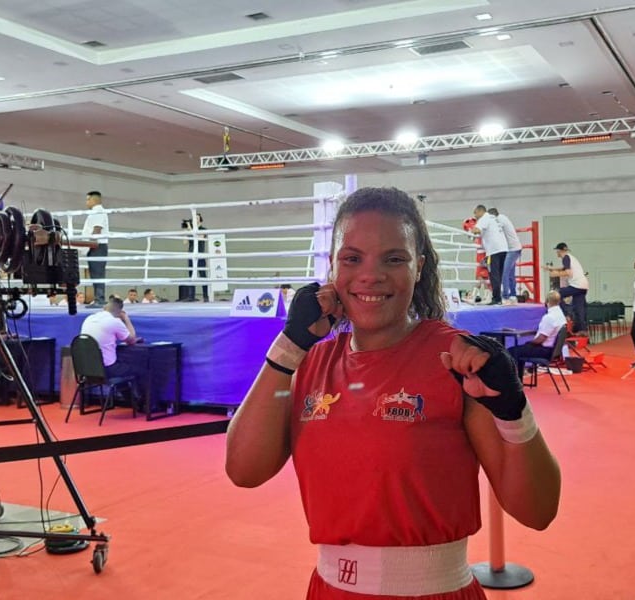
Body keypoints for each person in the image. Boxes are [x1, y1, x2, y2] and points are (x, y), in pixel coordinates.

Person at [226, 187, 560, 599]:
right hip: (328, 590)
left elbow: (538, 511)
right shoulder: (310, 361)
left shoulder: (454, 360)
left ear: (418, 267)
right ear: (332, 266)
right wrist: (287, 347)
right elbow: (243, 470)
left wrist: (514, 411)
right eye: (352, 258)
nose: (371, 275)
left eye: (394, 258)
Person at [507, 290, 567, 379]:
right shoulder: (561, 315)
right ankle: (518, 377)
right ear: (559, 301)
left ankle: (512, 379)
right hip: (553, 350)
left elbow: (540, 339)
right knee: (521, 349)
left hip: (545, 350)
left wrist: (530, 342)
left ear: (547, 302)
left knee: (512, 351)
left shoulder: (549, 317)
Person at [80, 296, 138, 379]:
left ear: (104, 307)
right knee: (140, 370)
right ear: (120, 312)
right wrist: (126, 319)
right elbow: (131, 340)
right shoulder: (115, 322)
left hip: (85, 368)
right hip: (106, 369)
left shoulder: (88, 318)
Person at [546, 243, 588, 335]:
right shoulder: (571, 258)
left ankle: (566, 314)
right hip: (583, 286)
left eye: (557, 251)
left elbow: (568, 272)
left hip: (576, 285)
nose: (556, 253)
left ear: (559, 251)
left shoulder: (565, 258)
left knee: (557, 294)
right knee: (579, 309)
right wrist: (551, 269)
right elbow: (563, 268)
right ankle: (583, 330)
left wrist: (555, 274)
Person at [470, 205, 508, 305]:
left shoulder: (484, 218)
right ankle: (499, 298)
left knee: (493, 274)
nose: (475, 216)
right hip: (503, 249)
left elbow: (476, 230)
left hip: (494, 250)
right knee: (499, 274)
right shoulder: (493, 219)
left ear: (480, 211)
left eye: (475, 213)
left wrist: (470, 229)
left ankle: (496, 299)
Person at [487, 208, 522, 303]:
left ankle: (505, 296)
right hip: (514, 248)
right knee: (510, 274)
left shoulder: (499, 220)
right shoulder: (503, 218)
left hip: (512, 249)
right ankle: (513, 295)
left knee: (504, 273)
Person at [81, 191, 110, 306]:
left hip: (97, 245)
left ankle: (100, 299)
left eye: (88, 199)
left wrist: (89, 244)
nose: (86, 202)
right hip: (95, 245)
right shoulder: (95, 212)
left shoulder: (98, 211)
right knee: (95, 273)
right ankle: (99, 299)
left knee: (97, 273)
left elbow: (97, 229)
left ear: (93, 200)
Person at [179, 213, 209, 302]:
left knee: (203, 275)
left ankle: (205, 296)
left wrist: (190, 228)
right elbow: (184, 242)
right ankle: (191, 296)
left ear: (200, 220)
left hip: (200, 255)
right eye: (193, 218)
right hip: (191, 255)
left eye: (197, 218)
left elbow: (199, 237)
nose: (195, 220)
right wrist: (186, 231)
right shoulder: (190, 230)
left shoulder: (203, 229)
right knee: (191, 275)